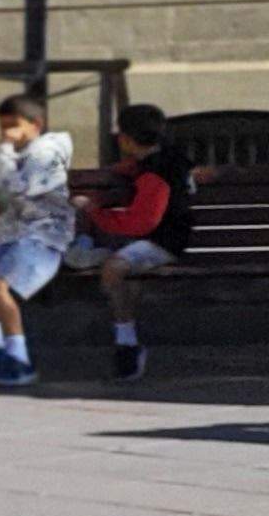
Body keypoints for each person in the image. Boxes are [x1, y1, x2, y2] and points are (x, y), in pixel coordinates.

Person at [0, 92, 74, 388]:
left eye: (13, 125)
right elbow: (2, 196)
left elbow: (22, 191)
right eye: (2, 126)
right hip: (13, 238)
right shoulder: (15, 156)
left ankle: (19, 359)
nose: (6, 133)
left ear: (36, 124)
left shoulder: (45, 156)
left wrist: (4, 161)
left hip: (43, 240)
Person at [74, 101, 195, 382]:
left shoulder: (155, 175)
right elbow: (138, 170)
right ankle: (127, 340)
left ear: (126, 139)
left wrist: (93, 211)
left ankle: (126, 344)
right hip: (153, 239)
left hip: (162, 243)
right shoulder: (162, 161)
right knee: (127, 273)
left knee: (115, 269)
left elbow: (141, 223)